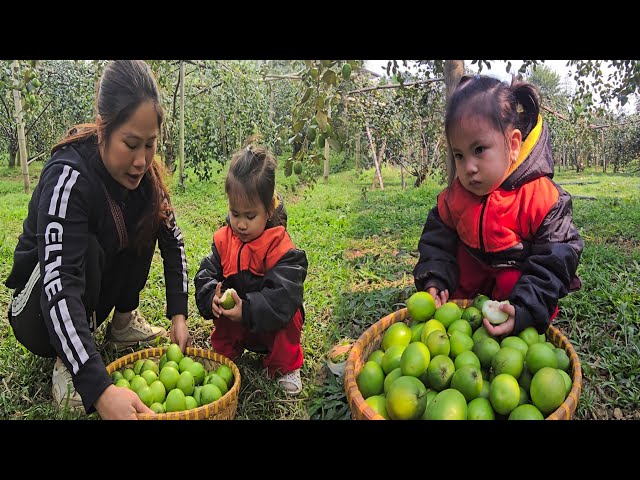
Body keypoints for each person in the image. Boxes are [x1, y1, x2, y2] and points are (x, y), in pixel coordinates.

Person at [4, 60, 191, 420]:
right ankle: (68, 363)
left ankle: (122, 323)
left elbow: (174, 241)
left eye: (150, 144)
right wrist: (100, 389)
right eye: (131, 144)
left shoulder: (145, 177)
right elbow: (59, 285)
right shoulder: (70, 177)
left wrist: (178, 315)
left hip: (87, 297)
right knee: (83, 249)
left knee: (147, 216)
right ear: (104, 128)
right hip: (39, 308)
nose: (141, 160)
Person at [413, 74, 584, 337]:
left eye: (479, 149)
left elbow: (557, 256)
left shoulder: (540, 197)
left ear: (513, 145)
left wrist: (528, 304)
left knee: (513, 282)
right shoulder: (456, 195)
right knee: (459, 268)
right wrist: (435, 277)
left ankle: (520, 313)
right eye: (459, 154)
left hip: (516, 282)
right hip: (474, 273)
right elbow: (437, 240)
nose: (468, 167)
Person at [194, 144, 308, 395]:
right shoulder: (225, 240)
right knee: (222, 312)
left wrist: (248, 309)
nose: (241, 224)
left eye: (250, 216)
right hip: (239, 322)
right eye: (235, 214)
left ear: (268, 211)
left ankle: (284, 367)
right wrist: (210, 293)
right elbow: (205, 273)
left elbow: (284, 297)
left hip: (269, 324)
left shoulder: (281, 248)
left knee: (291, 316)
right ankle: (225, 355)